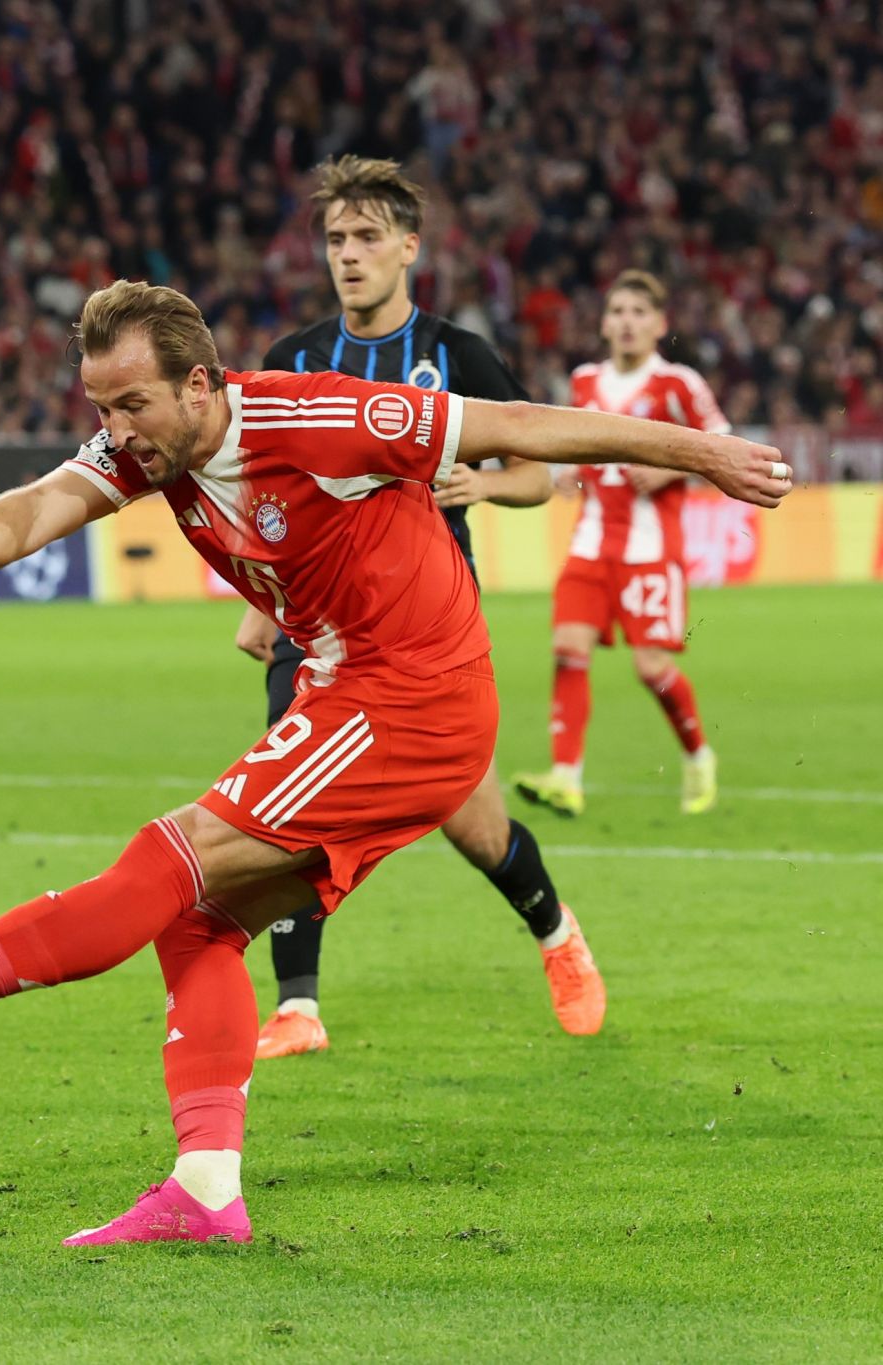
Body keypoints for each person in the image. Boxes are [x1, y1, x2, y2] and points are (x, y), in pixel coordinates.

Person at [0, 282, 790, 1245]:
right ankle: (205, 1190)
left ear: (199, 384)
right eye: (101, 406)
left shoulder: (321, 418)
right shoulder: (145, 449)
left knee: (173, 854)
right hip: (353, 688)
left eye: (132, 404)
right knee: (201, 920)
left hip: (409, 695)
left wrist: (703, 451)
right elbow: (37, 508)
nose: (116, 430)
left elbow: (519, 426)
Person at [242, 156, 598, 1057]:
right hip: (312, 625)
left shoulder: (457, 356)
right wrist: (258, 599)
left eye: (367, 237)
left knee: (474, 826)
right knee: (288, 808)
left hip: (424, 630)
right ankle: (297, 1007)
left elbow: (538, 474)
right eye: (336, 239)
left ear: (409, 247)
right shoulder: (293, 361)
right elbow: (260, 492)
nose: (348, 254)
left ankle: (556, 931)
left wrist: (483, 483)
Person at [514, 272, 728, 818]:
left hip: (649, 550)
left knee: (651, 668)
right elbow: (574, 443)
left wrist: (669, 470)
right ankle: (566, 778)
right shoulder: (584, 381)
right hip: (590, 543)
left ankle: (698, 755)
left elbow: (723, 444)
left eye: (638, 312)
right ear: (604, 324)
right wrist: (570, 471)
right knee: (568, 648)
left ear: (659, 324)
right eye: (618, 312)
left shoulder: (678, 383)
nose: (627, 322)